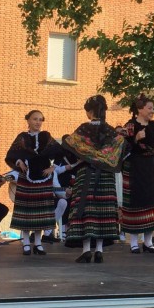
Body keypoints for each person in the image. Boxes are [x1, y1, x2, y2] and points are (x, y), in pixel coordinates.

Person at [62, 95, 128, 263]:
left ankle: (86, 250)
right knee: (103, 212)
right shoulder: (111, 131)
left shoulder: (83, 129)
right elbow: (121, 147)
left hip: (86, 174)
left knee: (86, 211)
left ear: (90, 111)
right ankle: (99, 250)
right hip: (106, 174)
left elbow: (70, 146)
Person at [118, 94, 154, 253]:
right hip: (137, 169)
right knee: (137, 203)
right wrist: (135, 139)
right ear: (140, 109)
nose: (152, 111)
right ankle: (134, 242)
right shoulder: (130, 126)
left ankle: (149, 242)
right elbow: (122, 148)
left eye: (153, 108)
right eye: (149, 108)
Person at [5, 110, 67, 256]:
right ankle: (26, 243)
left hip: (44, 179)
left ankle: (38, 244)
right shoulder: (22, 138)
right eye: (35, 119)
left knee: (41, 212)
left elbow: (59, 154)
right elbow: (11, 156)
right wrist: (19, 161)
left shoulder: (46, 136)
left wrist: (53, 167)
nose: (38, 122)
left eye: (40, 119)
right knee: (26, 212)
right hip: (26, 178)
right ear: (28, 120)